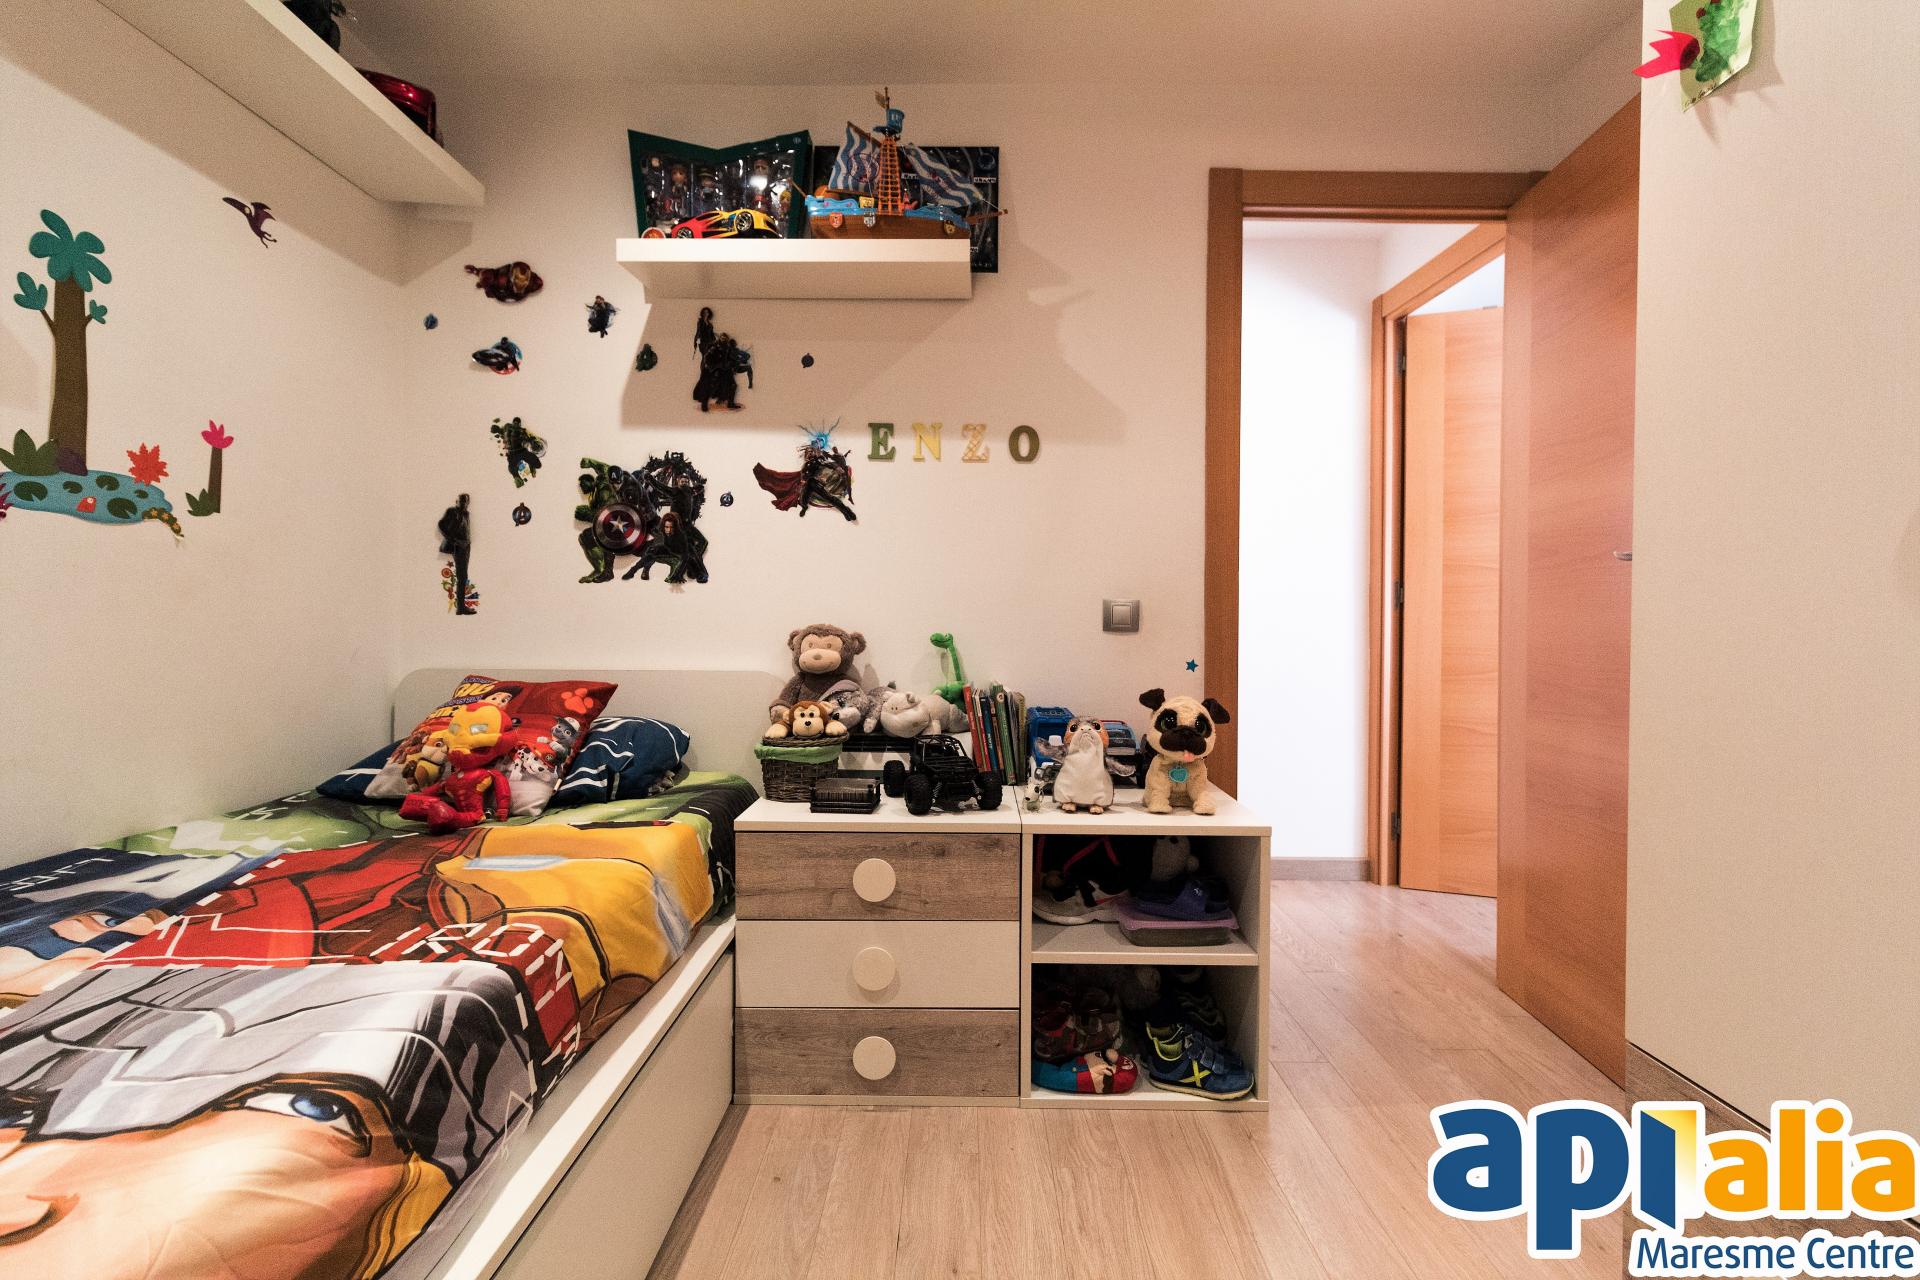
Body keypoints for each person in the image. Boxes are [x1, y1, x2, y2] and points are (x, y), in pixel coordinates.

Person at [437, 494, 474, 615]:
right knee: (462, 577)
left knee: (464, 576)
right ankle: (461, 608)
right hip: (458, 547)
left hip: (466, 547)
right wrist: (453, 540)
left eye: (466, 502)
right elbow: (441, 525)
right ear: (457, 501)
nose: (464, 504)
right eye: (462, 501)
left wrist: (467, 542)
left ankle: (461, 607)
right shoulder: (452, 511)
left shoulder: (466, 514)